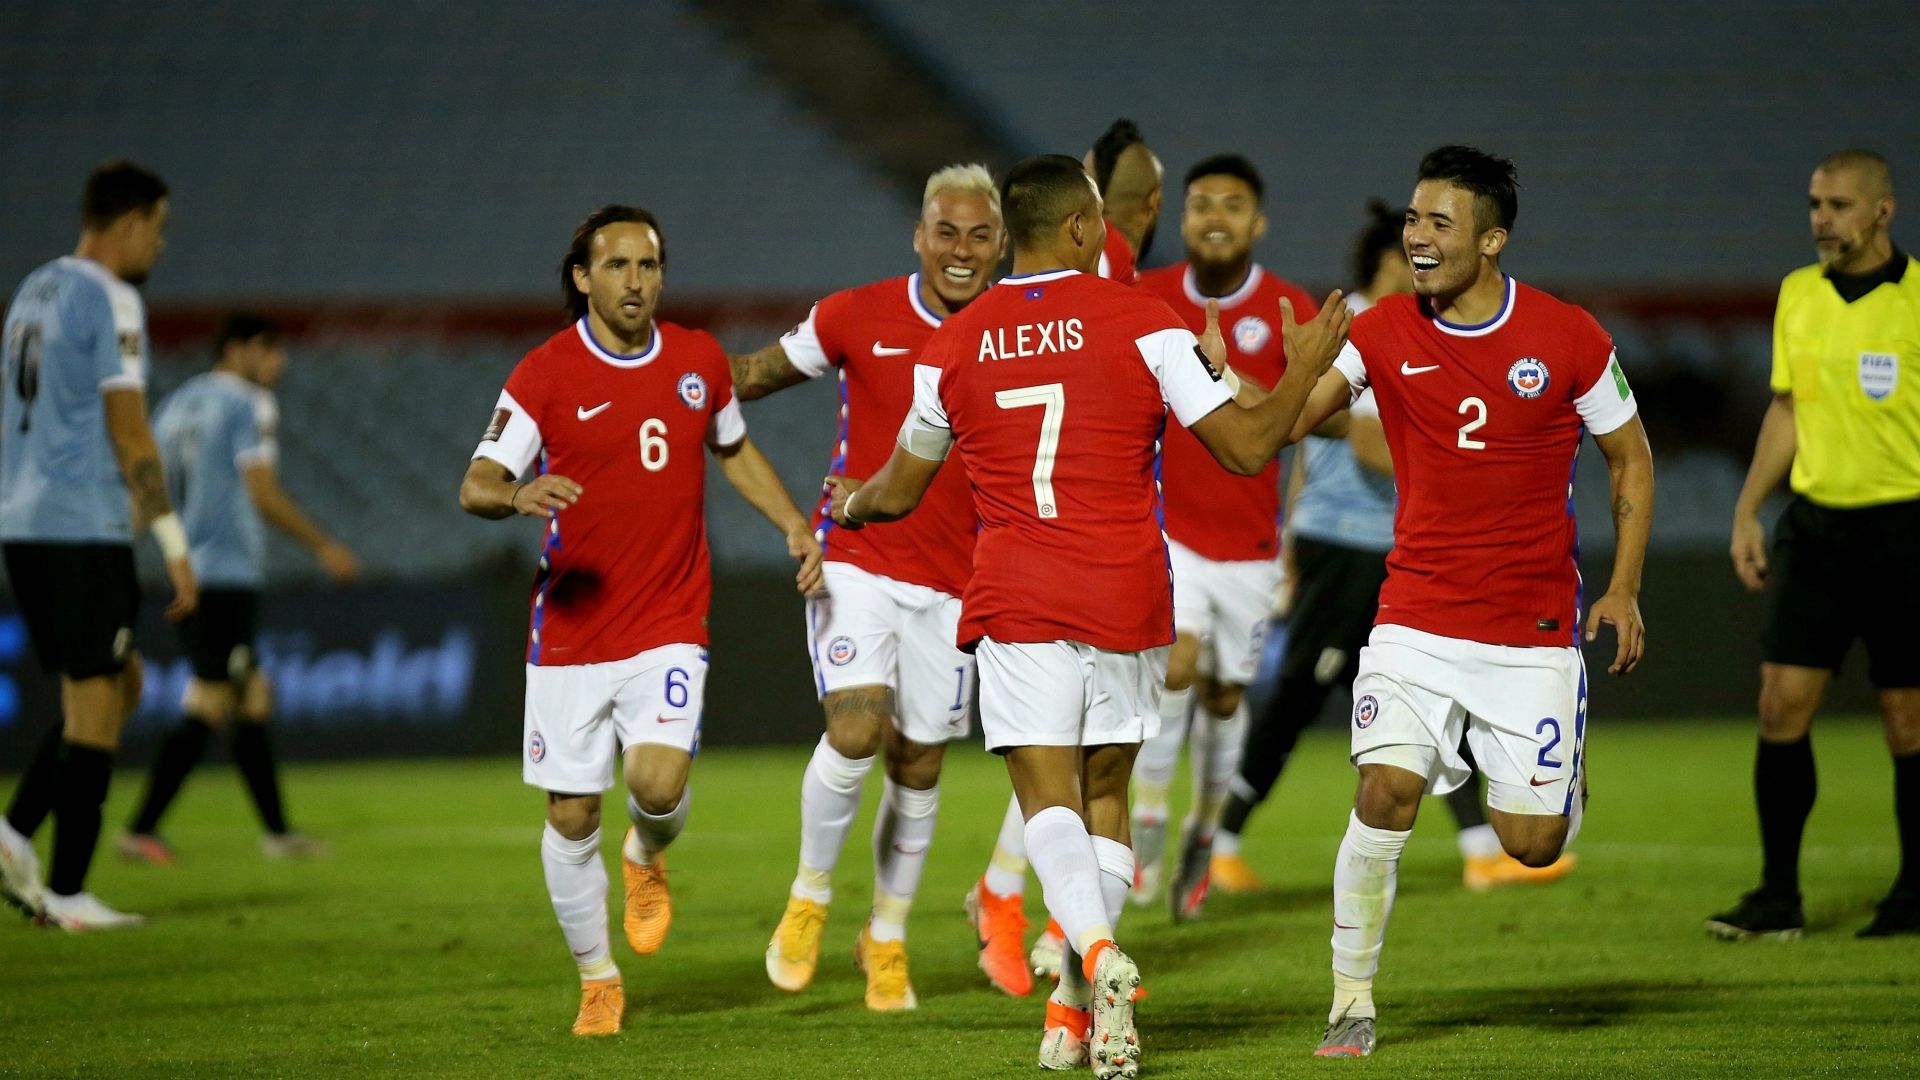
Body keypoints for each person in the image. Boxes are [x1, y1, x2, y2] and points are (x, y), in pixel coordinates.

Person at [826, 154, 1350, 1078]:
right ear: (1080, 229)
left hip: (1019, 591)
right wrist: (1301, 365)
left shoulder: (951, 345)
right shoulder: (1149, 324)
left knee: (1046, 803)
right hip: (1125, 591)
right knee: (1103, 796)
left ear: (1014, 233)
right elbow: (1247, 447)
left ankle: (1099, 962)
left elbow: (901, 490)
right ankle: (1076, 1007)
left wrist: (856, 506)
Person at [1275, 146, 1654, 1058]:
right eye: (1412, 219)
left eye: (1438, 222)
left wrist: (1625, 588)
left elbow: (1631, 456)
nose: (1416, 236)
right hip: (1414, 614)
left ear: (1492, 239)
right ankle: (1352, 999)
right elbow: (1279, 427)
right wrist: (1295, 369)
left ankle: (1560, 783)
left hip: (1529, 631)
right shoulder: (1380, 332)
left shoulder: (1568, 337)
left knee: (1531, 844)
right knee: (1386, 789)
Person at [457, 205, 824, 1037]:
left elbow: (731, 448)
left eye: (649, 265)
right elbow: (475, 483)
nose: (636, 280)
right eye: (617, 265)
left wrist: (795, 524)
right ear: (583, 277)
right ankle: (597, 980)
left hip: (668, 615)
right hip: (572, 632)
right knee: (571, 815)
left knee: (656, 786)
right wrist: (518, 493)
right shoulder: (544, 374)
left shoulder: (697, 362)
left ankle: (646, 855)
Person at [1216, 200, 1577, 894]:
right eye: (1412, 248)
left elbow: (1316, 440)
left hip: (1392, 544)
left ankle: (1479, 849)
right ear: (1389, 262)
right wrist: (1467, 468)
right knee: (1299, 694)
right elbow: (1356, 437)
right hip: (1349, 542)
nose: (1421, 261)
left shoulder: (1415, 331)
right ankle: (1219, 840)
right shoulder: (1364, 328)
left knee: (1432, 698)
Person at [729, 164, 1005, 1010]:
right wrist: (666, 382)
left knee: (919, 762)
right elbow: (755, 375)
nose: (960, 251)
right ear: (919, 236)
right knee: (857, 730)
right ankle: (811, 895)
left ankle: (884, 933)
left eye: (979, 236)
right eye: (946, 233)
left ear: (1000, 246)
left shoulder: (1017, 329)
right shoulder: (856, 313)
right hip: (858, 555)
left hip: (960, 579)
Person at [966, 121, 1167, 992]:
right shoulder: (1115, 285)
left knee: (1059, 763)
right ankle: (1043, 922)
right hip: (1099, 546)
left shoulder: (1063, 295)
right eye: (1140, 200)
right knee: (1091, 769)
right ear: (1098, 215)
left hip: (1046, 546)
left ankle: (1041, 922)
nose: (1149, 216)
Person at [1709, 149, 1920, 941]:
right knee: (1779, 707)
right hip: (1817, 528)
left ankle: (1914, 892)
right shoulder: (1799, 294)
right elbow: (1787, 411)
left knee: (1907, 720)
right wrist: (1748, 509)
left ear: (1881, 212)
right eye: (1812, 204)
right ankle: (1777, 897)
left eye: (1836, 205)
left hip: (1905, 528)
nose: (1820, 219)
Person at [0, 160, 199, 930]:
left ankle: (14, 834)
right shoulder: (111, 295)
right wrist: (172, 539)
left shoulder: (32, 291)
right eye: (159, 227)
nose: (161, 244)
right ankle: (69, 894)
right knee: (92, 702)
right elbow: (129, 426)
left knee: (123, 682)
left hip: (21, 521)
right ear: (128, 223)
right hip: (80, 523)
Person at [1128, 153, 1316, 920]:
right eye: (1201, 202)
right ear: (1180, 218)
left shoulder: (1287, 310)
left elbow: (1315, 427)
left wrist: (1292, 542)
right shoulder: (1145, 299)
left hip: (1250, 542)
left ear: (1257, 221)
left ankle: (1204, 838)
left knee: (1226, 693)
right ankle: (1146, 823)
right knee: (1176, 662)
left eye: (1232, 205)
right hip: (1168, 529)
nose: (1214, 216)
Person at [116, 313, 360, 865]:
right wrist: (323, 544)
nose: (279, 363)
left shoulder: (177, 405)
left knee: (252, 695)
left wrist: (131, 547)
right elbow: (262, 491)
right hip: (225, 573)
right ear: (238, 350)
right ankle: (140, 828)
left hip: (185, 567)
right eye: (269, 350)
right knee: (210, 699)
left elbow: (146, 485)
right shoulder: (249, 404)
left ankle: (277, 832)